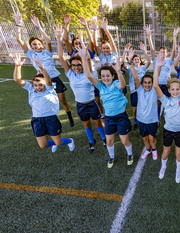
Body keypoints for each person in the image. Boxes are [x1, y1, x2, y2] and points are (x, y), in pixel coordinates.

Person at [76, 45, 133, 168]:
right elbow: (89, 76)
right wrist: (83, 58)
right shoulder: (101, 86)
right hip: (109, 118)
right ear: (101, 77)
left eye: (108, 75)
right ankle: (112, 157)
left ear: (112, 76)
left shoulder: (117, 83)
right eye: (103, 76)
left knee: (124, 141)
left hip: (121, 117)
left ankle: (130, 154)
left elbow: (123, 86)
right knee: (109, 141)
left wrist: (118, 70)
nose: (106, 78)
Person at [14, 12, 74, 127]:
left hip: (54, 78)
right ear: (31, 47)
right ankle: (49, 118)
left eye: (38, 44)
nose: (36, 46)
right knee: (45, 100)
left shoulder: (47, 52)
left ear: (42, 44)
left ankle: (69, 116)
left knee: (62, 101)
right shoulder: (31, 54)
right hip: (42, 80)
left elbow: (48, 41)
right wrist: (18, 25)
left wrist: (39, 27)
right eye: (33, 45)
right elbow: (19, 40)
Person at [55, 25, 106, 153]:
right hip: (80, 105)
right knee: (86, 125)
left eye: (79, 65)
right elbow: (61, 57)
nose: (76, 67)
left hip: (91, 103)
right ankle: (91, 141)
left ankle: (104, 139)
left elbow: (88, 58)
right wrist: (58, 37)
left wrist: (83, 52)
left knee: (97, 123)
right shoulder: (71, 74)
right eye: (74, 65)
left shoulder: (88, 73)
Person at [12, 54, 75, 152]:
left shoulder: (49, 89)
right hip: (37, 119)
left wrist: (42, 68)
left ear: (45, 84)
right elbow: (17, 80)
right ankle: (53, 142)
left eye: (41, 85)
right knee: (43, 145)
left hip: (51, 119)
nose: (38, 87)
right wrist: (18, 66)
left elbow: (49, 80)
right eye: (36, 85)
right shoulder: (31, 89)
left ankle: (69, 141)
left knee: (59, 142)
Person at [153, 50, 180, 184]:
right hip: (168, 131)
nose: (175, 91)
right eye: (172, 89)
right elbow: (156, 85)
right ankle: (163, 167)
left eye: (177, 89)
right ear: (168, 90)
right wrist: (157, 66)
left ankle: (178, 170)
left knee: (179, 154)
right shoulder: (166, 100)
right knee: (166, 152)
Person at [62, 15, 105, 122]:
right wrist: (66, 24)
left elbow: (91, 42)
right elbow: (66, 40)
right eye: (76, 43)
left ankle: (102, 117)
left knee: (97, 100)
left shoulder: (88, 52)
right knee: (91, 100)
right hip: (81, 80)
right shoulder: (72, 54)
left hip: (92, 79)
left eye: (79, 43)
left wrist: (86, 26)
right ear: (73, 45)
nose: (78, 45)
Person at [144, 25, 180, 120]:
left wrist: (174, 37)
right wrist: (149, 36)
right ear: (158, 53)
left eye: (164, 52)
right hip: (158, 84)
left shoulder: (168, 61)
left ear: (166, 54)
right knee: (158, 102)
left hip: (167, 85)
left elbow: (174, 50)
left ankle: (167, 115)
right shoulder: (155, 60)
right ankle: (157, 118)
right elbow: (151, 49)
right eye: (161, 52)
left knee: (169, 101)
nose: (162, 54)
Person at [129, 62, 158, 160]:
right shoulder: (140, 90)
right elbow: (136, 77)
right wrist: (131, 65)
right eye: (145, 82)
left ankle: (154, 150)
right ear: (142, 84)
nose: (147, 84)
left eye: (149, 82)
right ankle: (148, 149)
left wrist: (158, 66)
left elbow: (156, 75)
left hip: (152, 120)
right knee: (145, 138)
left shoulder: (154, 90)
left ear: (152, 83)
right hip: (141, 119)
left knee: (152, 138)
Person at [123, 42, 151, 130]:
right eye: (134, 59)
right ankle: (135, 122)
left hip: (143, 91)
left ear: (140, 60)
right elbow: (124, 63)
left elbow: (149, 61)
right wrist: (125, 52)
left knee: (144, 108)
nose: (136, 60)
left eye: (137, 59)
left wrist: (144, 51)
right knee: (134, 109)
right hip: (134, 92)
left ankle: (144, 121)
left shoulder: (143, 67)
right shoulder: (131, 68)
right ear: (132, 61)